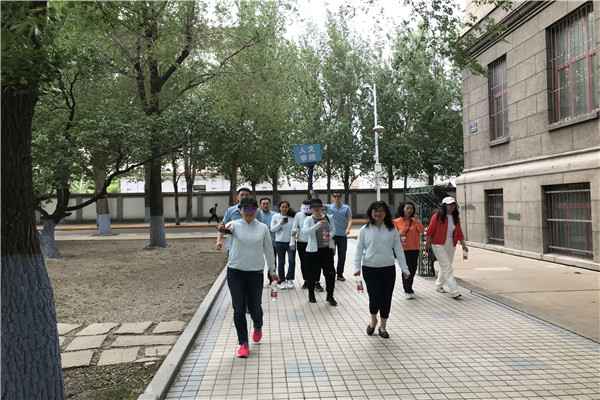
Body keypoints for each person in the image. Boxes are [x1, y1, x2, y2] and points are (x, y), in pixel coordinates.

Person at [217, 197, 278, 358]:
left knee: (255, 307)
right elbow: (225, 229)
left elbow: (269, 250)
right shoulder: (234, 225)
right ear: (240, 210)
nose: (249, 211)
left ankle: (258, 325)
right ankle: (243, 342)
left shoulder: (263, 228)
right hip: (235, 272)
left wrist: (272, 270)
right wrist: (221, 229)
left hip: (255, 273)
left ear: (257, 210)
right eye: (246, 208)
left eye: (252, 208)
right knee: (238, 308)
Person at [354, 201, 410, 339]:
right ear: (371, 212)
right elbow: (359, 249)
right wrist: (356, 267)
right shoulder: (365, 230)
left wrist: (404, 268)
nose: (378, 213)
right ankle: (373, 320)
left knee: (386, 297)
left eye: (381, 211)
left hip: (388, 268)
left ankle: (383, 326)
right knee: (375, 296)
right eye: (375, 211)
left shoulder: (392, 230)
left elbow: (398, 250)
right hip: (370, 268)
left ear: (386, 213)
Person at [424, 197, 468, 299]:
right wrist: (427, 244)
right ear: (444, 206)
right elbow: (430, 231)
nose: (451, 206)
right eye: (449, 204)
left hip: (451, 245)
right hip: (438, 245)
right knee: (447, 268)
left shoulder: (456, 218)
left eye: (453, 204)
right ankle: (454, 290)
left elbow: (459, 233)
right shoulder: (437, 217)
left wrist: (463, 245)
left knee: (445, 266)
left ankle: (438, 285)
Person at [310, 190, 353, 281]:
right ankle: (331, 272)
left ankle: (340, 274)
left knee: (342, 256)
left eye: (338, 196)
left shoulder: (346, 208)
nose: (337, 198)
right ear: (332, 197)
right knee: (330, 255)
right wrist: (313, 195)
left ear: (341, 197)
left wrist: (348, 229)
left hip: (342, 236)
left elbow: (350, 219)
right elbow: (317, 204)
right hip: (331, 236)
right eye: (335, 196)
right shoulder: (328, 207)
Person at [303, 198, 338, 306]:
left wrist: (329, 235)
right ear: (311, 208)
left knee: (330, 274)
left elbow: (333, 230)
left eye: (318, 206)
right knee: (311, 274)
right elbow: (306, 232)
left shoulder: (329, 218)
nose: (316, 208)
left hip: (326, 250)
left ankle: (330, 296)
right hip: (312, 251)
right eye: (314, 207)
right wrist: (318, 225)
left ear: (322, 207)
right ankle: (311, 294)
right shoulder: (308, 220)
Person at [393, 201, 425, 299]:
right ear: (403, 209)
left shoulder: (414, 221)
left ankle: (409, 286)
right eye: (407, 208)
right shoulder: (396, 222)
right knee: (406, 269)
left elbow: (421, 231)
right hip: (403, 249)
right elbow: (392, 236)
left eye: (411, 208)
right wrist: (398, 234)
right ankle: (407, 290)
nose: (409, 210)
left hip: (414, 248)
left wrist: (418, 221)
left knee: (413, 269)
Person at [291, 199, 324, 291]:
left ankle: (316, 281)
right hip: (302, 242)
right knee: (304, 262)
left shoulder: (318, 215)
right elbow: (295, 227)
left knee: (317, 262)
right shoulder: (298, 215)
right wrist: (293, 240)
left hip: (315, 242)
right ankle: (307, 280)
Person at [216, 187, 262, 252]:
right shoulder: (230, 210)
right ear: (237, 197)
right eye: (242, 195)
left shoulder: (256, 211)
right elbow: (222, 226)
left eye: (247, 195)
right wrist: (219, 241)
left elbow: (260, 228)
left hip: (251, 246)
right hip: (233, 246)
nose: (244, 197)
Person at [270, 201, 296, 289]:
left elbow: (296, 227)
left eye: (286, 207)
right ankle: (281, 281)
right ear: (279, 208)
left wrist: (295, 233)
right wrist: (280, 224)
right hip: (279, 242)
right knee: (281, 262)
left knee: (292, 260)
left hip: (291, 242)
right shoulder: (275, 216)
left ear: (288, 208)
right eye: (282, 207)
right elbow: (272, 229)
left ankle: (290, 278)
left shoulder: (292, 217)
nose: (284, 209)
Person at [258, 197, 277, 282]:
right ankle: (259, 279)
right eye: (263, 204)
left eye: (267, 204)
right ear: (260, 205)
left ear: (270, 204)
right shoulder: (257, 215)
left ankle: (271, 279)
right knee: (258, 261)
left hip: (272, 241)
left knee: (272, 261)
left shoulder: (275, 215)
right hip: (259, 241)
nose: (265, 205)